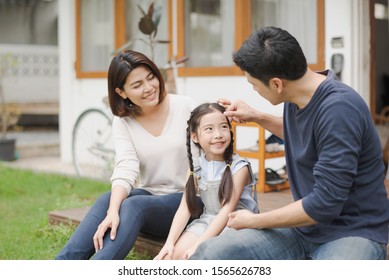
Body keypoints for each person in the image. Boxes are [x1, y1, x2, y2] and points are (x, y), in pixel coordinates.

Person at [190, 26, 389, 260]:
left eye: (254, 84)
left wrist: (256, 220)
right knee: (213, 253)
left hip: (353, 231)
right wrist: (257, 116)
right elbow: (310, 135)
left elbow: (323, 204)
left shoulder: (339, 109)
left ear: (276, 84)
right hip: (304, 228)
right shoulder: (298, 96)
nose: (253, 89)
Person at [56, 50, 197, 260]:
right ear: (121, 92)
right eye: (137, 85)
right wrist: (113, 211)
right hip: (152, 197)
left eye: (151, 78)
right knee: (108, 200)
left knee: (133, 204)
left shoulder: (186, 106)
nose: (149, 88)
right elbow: (126, 166)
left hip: (191, 201)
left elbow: (202, 166)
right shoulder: (124, 122)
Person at [154, 103, 258, 260]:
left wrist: (198, 245)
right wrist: (169, 243)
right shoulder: (196, 167)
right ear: (194, 136)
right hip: (208, 219)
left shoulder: (239, 168)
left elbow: (226, 211)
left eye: (223, 127)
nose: (218, 134)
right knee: (171, 257)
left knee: (199, 257)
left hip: (237, 224)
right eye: (209, 129)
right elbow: (185, 209)